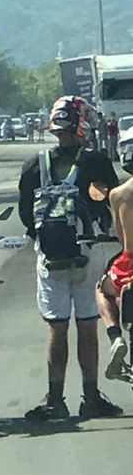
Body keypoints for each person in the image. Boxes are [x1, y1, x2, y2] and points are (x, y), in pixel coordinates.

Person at [19, 94, 122, 420]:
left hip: (50, 257)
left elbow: (25, 214)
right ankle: (90, 397)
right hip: (88, 252)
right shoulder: (95, 162)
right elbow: (111, 202)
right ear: (82, 124)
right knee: (87, 325)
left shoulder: (34, 164)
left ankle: (55, 398)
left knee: (57, 327)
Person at [96, 127, 133, 379]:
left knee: (101, 289)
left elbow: (122, 238)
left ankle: (115, 335)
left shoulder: (118, 195)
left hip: (129, 265)